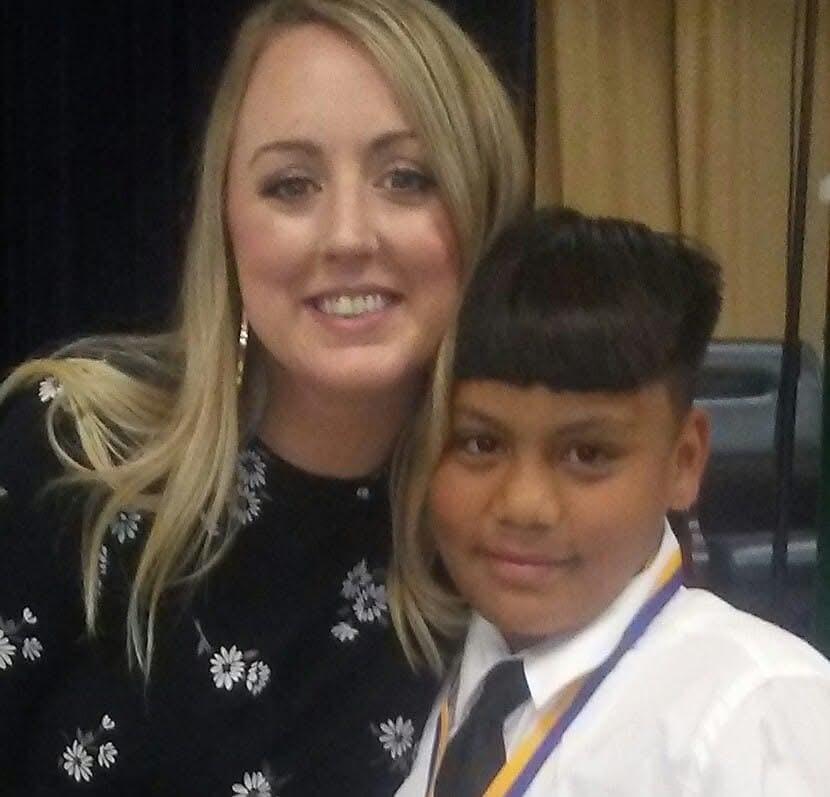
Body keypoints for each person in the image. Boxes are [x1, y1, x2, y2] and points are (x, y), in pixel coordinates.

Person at [0, 1, 529, 794]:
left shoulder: (521, 529)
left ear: (484, 203)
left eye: (406, 179)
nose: (348, 235)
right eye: (291, 185)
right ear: (227, 224)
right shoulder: (74, 450)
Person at [392, 207, 830, 797]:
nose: (523, 505)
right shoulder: (455, 675)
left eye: (587, 454)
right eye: (480, 443)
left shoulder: (753, 718)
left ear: (683, 462)